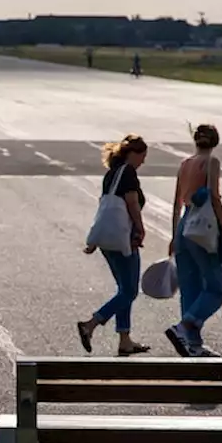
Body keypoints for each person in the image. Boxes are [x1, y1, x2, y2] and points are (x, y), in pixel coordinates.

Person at [77, 135, 151, 356]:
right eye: (142, 157)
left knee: (124, 291)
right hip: (123, 239)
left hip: (108, 240)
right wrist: (140, 228)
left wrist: (95, 240)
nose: (143, 162)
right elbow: (131, 203)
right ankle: (90, 324)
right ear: (133, 154)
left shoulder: (112, 173)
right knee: (129, 291)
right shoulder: (128, 172)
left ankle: (125, 340)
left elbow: (105, 208)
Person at [166, 124, 222, 357]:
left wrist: (174, 235)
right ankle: (184, 327)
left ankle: (192, 344)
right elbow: (214, 197)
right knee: (217, 288)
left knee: (190, 287)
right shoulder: (211, 162)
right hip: (203, 225)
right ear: (215, 142)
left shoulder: (184, 164)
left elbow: (176, 203)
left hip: (185, 224)